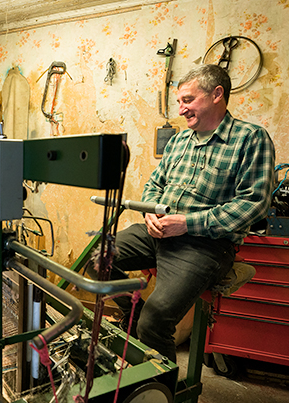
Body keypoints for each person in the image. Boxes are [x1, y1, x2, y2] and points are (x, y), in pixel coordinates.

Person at [102, 64, 275, 362]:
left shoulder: (251, 138)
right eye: (179, 102)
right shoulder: (180, 141)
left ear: (217, 94)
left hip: (204, 244)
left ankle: (159, 399)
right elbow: (155, 183)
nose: (180, 110)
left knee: (155, 325)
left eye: (187, 100)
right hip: (158, 231)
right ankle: (135, 318)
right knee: (98, 257)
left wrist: (188, 223)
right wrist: (150, 214)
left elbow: (254, 203)